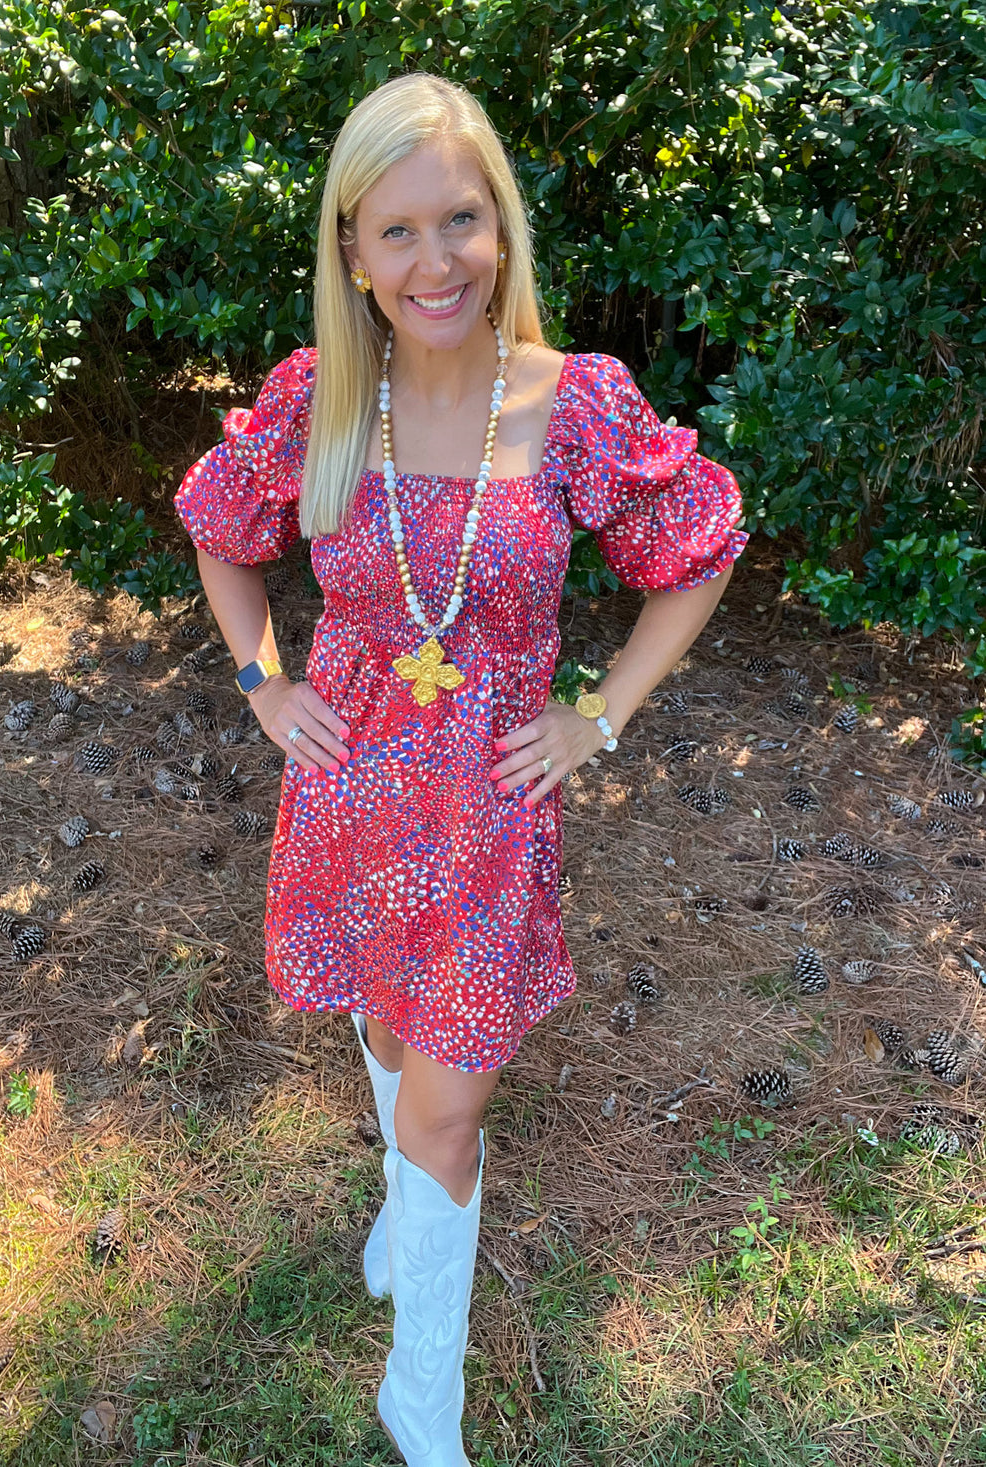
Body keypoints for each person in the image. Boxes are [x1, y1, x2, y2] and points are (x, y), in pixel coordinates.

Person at [175, 72, 746, 1467]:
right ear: (353, 256)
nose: (436, 262)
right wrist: (265, 685)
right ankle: (401, 1214)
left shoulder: (577, 404)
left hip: (491, 808)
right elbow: (217, 524)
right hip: (354, 796)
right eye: (398, 232)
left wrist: (596, 715)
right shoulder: (318, 399)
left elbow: (700, 546)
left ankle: (417, 1400)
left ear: (501, 227)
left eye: (462, 221)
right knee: (384, 1035)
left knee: (451, 1098)